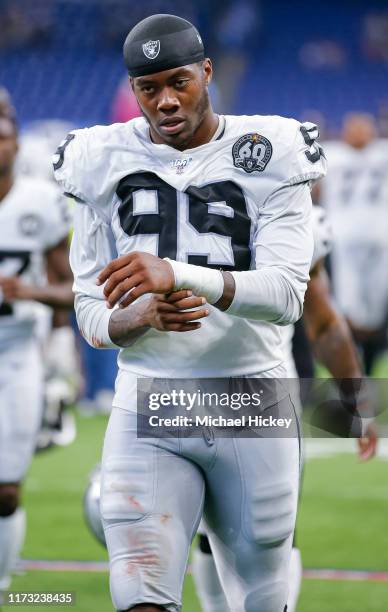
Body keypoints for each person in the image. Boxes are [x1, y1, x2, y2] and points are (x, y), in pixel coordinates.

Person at [54, 14, 326, 612]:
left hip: (250, 395)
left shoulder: (269, 150)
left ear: (207, 72)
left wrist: (176, 273)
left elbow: (287, 296)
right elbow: (90, 313)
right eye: (148, 88)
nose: (166, 100)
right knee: (141, 597)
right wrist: (134, 318)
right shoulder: (99, 156)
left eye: (179, 81)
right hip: (150, 395)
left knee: (259, 596)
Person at [191, 205, 378, 612]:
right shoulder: (182, 195)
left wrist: (357, 399)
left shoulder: (301, 216)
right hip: (186, 382)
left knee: (272, 531)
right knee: (208, 530)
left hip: (266, 387)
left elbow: (323, 321)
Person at [0, 109, 74, 596]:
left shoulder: (41, 202)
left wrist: (29, 294)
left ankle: (3, 584)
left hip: (17, 354)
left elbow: (72, 288)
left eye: (3, 138)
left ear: (18, 145)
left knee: (6, 488)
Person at [318, 113, 388, 375]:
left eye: (364, 127)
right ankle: (352, 372)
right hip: (344, 240)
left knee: (374, 314)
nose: (359, 132)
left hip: (380, 240)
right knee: (347, 311)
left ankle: (366, 372)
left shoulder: (382, 152)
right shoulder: (332, 154)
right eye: (353, 127)